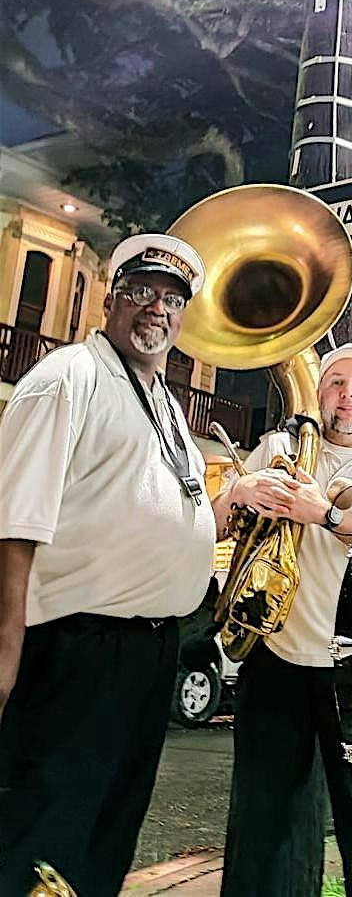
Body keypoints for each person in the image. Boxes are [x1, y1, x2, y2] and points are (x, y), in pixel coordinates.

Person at [0, 234, 216, 897]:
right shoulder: (67, 377)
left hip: (147, 655)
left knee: (105, 842)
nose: (158, 308)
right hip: (76, 649)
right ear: (109, 298)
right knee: (40, 842)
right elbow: (13, 527)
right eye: (142, 291)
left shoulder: (166, 402)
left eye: (173, 298)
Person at [214, 343, 352, 897]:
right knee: (262, 819)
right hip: (277, 658)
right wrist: (239, 489)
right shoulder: (282, 448)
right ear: (320, 392)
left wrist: (323, 514)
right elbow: (215, 523)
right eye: (335, 383)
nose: (347, 395)